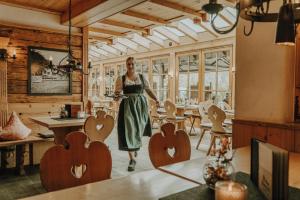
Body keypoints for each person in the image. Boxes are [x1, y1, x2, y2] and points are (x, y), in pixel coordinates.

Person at [114, 57, 159, 172]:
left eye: (132, 64)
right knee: (129, 130)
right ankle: (132, 159)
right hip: (127, 107)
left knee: (138, 129)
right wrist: (116, 96)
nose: (130, 66)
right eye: (128, 64)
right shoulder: (121, 78)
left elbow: (148, 90)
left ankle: (135, 148)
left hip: (141, 107)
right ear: (126, 65)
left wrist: (156, 99)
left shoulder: (142, 78)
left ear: (135, 65)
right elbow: (117, 95)